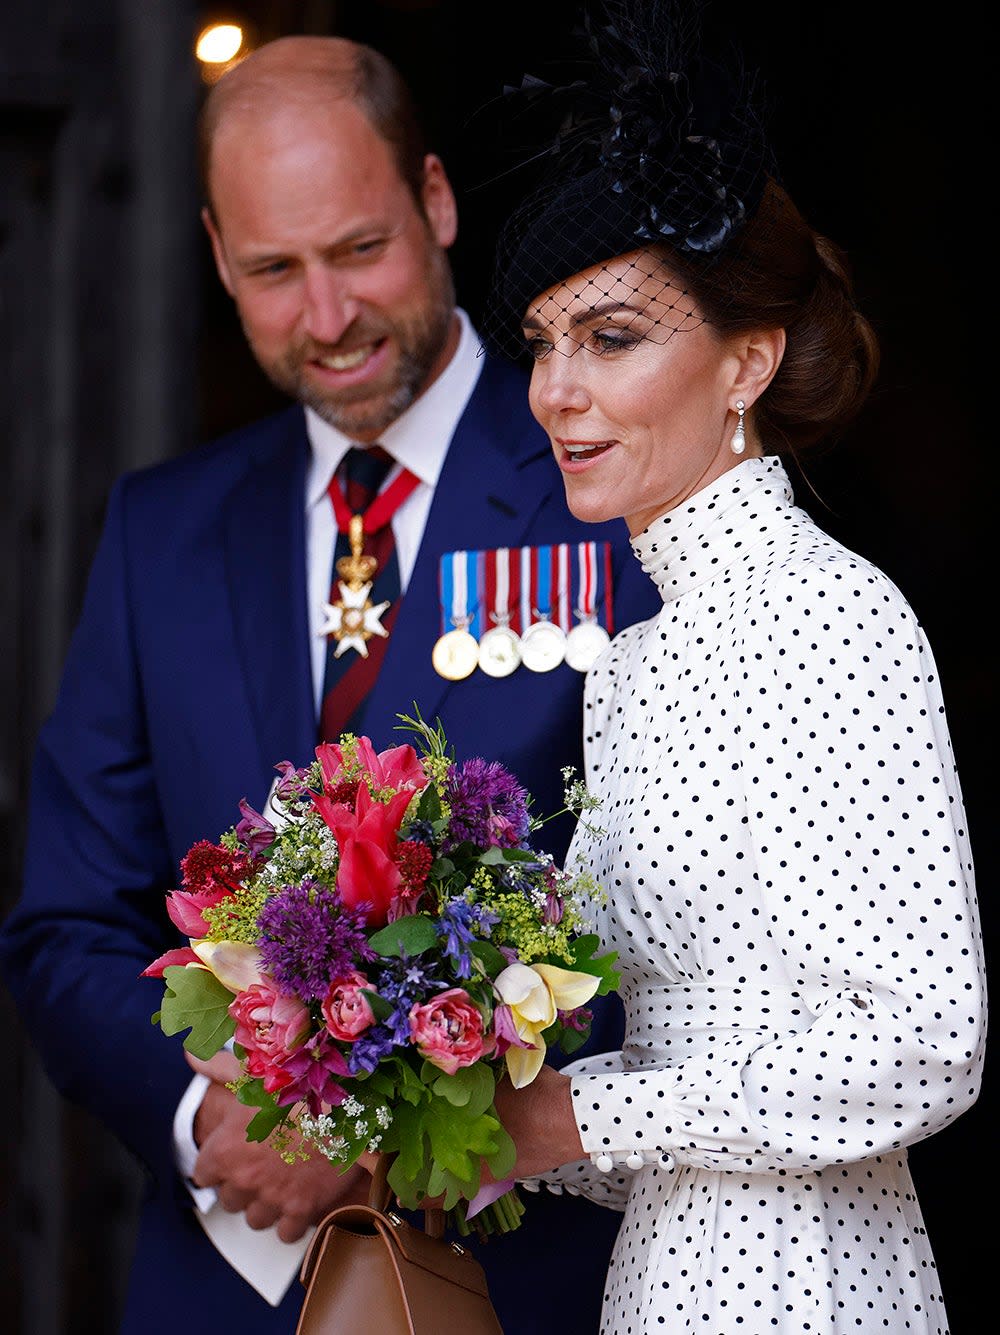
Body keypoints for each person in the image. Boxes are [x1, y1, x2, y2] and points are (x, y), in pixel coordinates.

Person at [0, 34, 662, 1335]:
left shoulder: (614, 486)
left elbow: (697, 940)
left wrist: (384, 1119)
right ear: (213, 254)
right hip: (219, 1285)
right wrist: (213, 1113)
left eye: (359, 250)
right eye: (272, 271)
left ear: (435, 200)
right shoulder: (161, 530)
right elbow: (65, 927)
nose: (327, 317)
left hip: (535, 1282)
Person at [472, 2, 988, 1330]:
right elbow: (671, 1082)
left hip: (818, 1290)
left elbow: (926, 1044)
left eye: (613, 337)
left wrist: (579, 1109)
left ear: (749, 359)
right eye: (543, 340)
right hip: (661, 1282)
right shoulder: (633, 659)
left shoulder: (833, 617)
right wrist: (438, 1099)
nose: (555, 389)